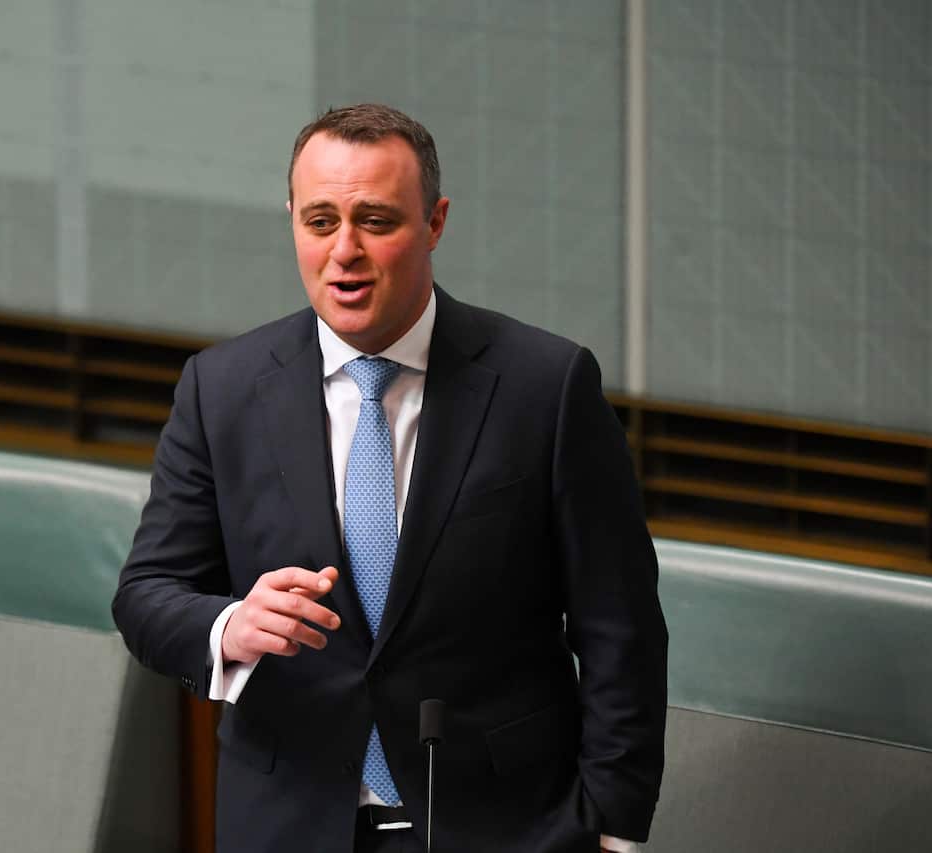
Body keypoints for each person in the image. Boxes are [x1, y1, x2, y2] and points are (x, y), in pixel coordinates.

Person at [112, 103, 667, 853]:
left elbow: (619, 628)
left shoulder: (546, 386)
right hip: (290, 823)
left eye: (375, 221)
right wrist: (230, 625)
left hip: (506, 828)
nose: (345, 251)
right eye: (319, 222)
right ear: (292, 221)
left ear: (435, 222)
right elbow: (146, 594)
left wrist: (614, 826)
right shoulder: (221, 388)